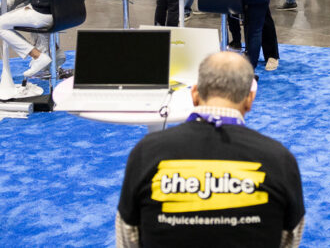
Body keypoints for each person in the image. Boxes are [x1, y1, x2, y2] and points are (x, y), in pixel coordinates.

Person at [116, 51, 304, 248]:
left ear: (194, 94)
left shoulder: (146, 152)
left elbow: (128, 236)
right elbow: (289, 238)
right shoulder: (279, 160)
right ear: (250, 99)